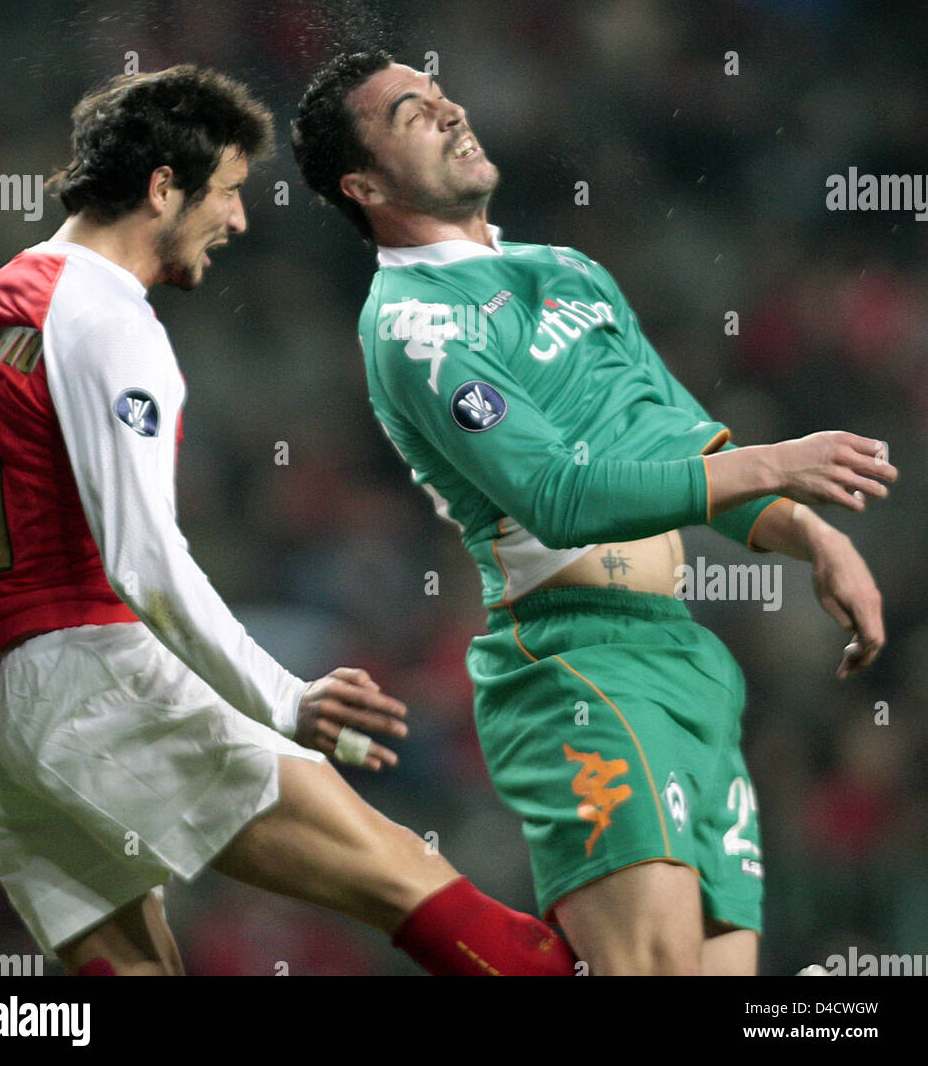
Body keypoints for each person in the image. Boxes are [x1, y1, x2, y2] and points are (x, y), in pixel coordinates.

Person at [0, 64, 580, 977]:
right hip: (83, 675)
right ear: (163, 186)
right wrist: (286, 698)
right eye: (229, 193)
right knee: (404, 876)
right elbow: (144, 562)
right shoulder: (102, 314)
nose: (237, 221)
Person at [291, 50, 895, 977]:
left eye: (443, 92)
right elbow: (558, 497)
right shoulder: (416, 321)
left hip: (686, 664)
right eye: (413, 111)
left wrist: (809, 534)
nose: (451, 109)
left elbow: (685, 444)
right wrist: (778, 461)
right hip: (572, 663)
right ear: (362, 183)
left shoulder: (568, 270)